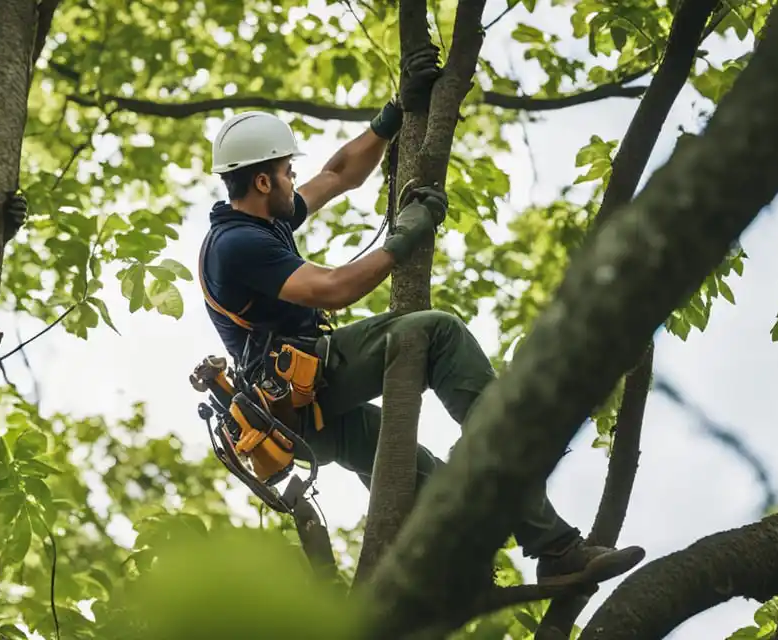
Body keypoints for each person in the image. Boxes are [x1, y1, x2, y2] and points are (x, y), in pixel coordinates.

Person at [194, 46, 645, 587]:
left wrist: (393, 114)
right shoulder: (237, 245)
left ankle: (542, 553)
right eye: (287, 173)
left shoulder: (264, 217)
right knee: (438, 333)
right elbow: (333, 289)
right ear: (263, 181)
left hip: (306, 412)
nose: (296, 180)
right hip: (298, 387)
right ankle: (496, 438)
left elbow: (337, 174)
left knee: (418, 479)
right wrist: (406, 238)